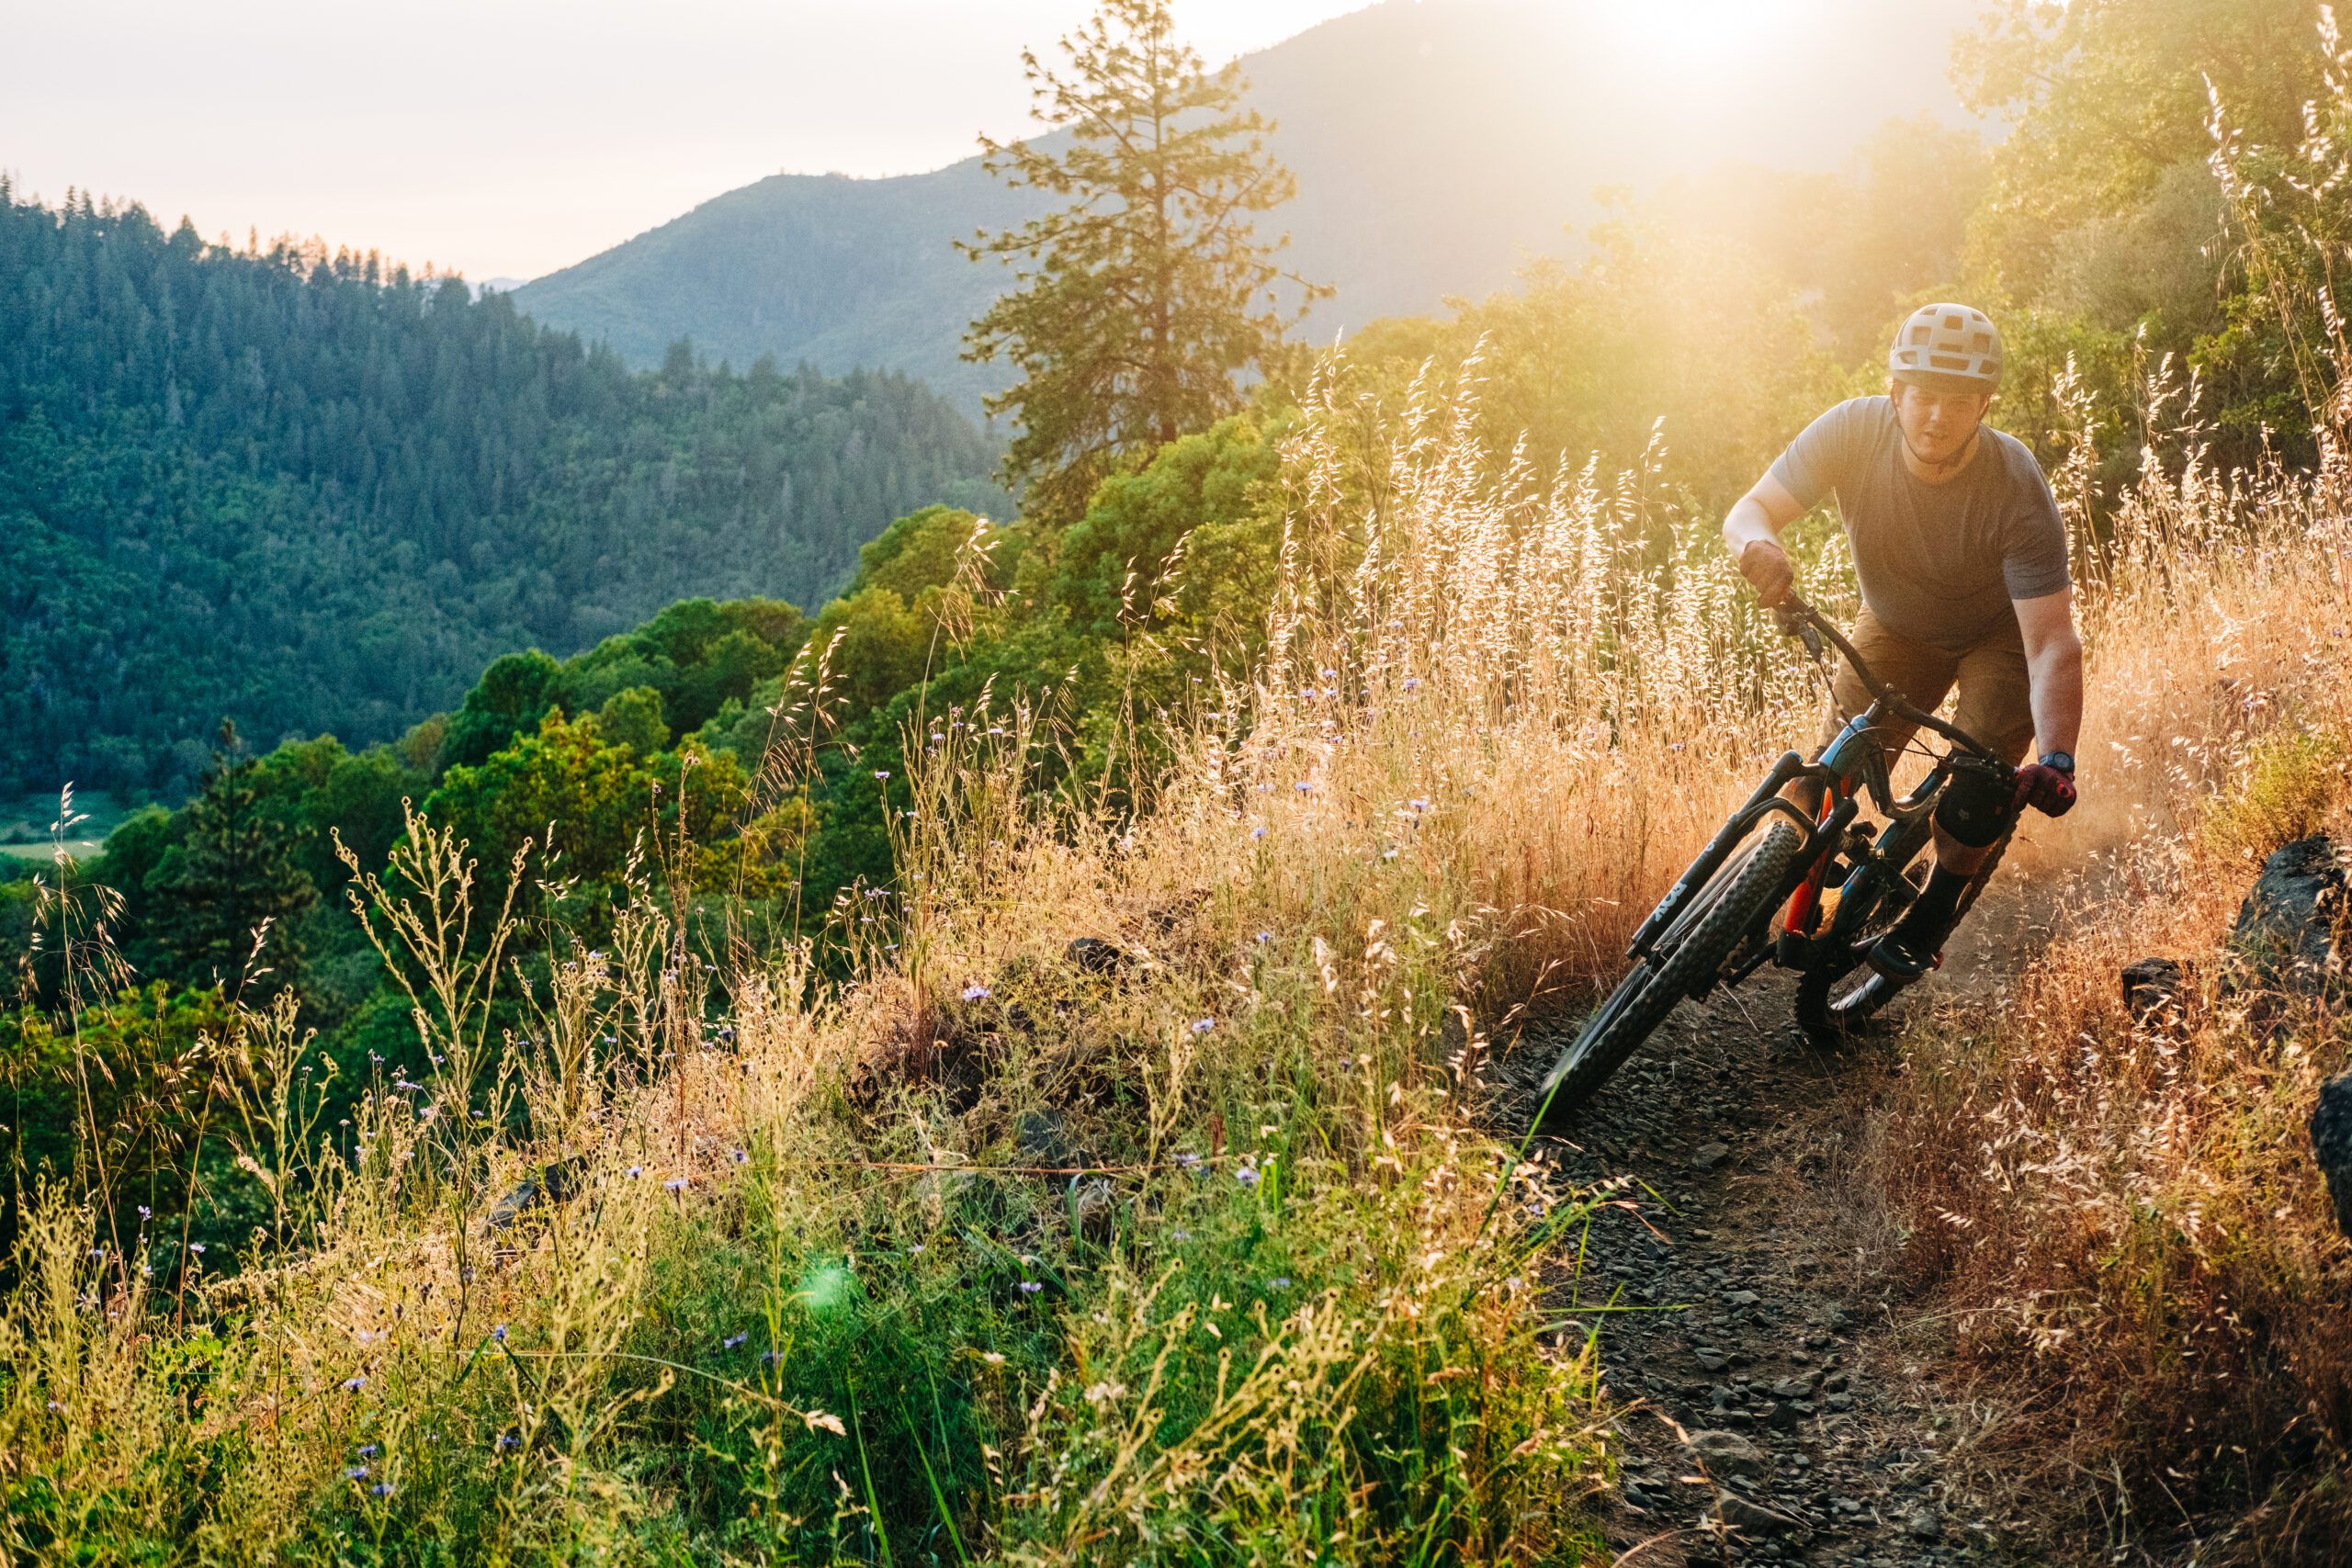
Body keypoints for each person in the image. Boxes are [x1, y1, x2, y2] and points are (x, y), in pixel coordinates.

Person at [1720, 302, 2084, 979]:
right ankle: (1772, 907)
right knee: (1820, 778)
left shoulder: (2015, 485)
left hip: (1996, 637)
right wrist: (1757, 546)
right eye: (1923, 396)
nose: (1937, 416)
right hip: (1895, 623)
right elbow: (1750, 510)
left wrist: (2058, 756)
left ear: (1983, 406)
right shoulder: (1852, 431)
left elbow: (2052, 642)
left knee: (1975, 791)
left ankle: (1930, 915)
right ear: (1895, 391)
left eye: (1958, 401)